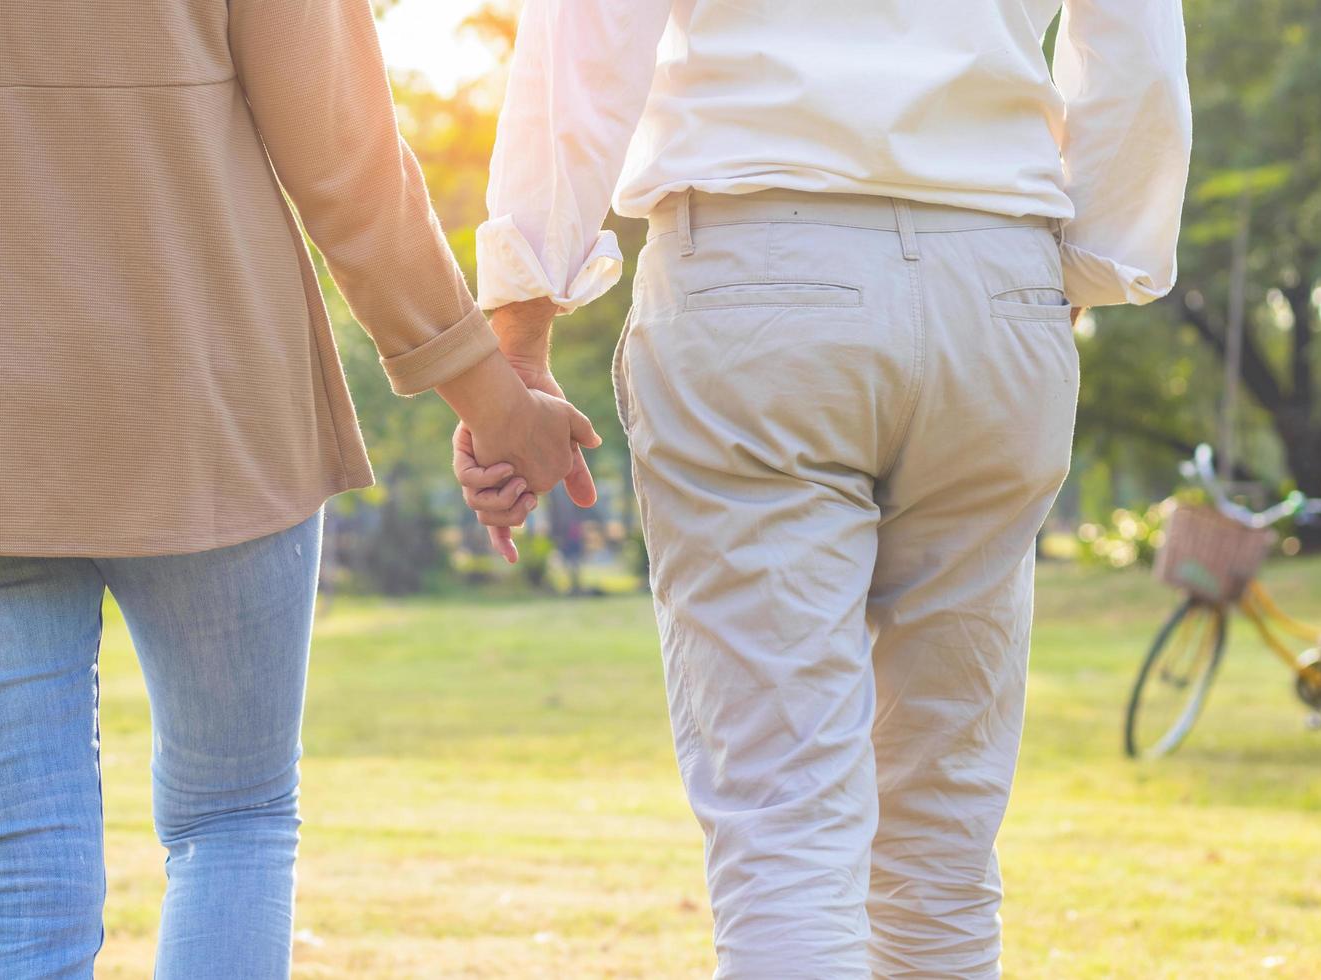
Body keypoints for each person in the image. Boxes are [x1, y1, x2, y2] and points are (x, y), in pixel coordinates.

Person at [0, 0, 595, 976]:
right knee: (230, 821)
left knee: (11, 892)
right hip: (210, 415)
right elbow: (346, 157)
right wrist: (491, 396)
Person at [463, 1, 1191, 976]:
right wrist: (1085, 263)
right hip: (998, 277)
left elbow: (583, 42)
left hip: (756, 273)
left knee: (784, 825)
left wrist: (519, 327)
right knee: (943, 838)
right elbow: (1136, 47)